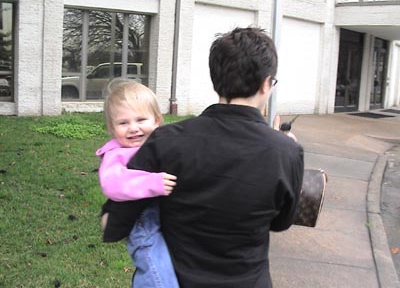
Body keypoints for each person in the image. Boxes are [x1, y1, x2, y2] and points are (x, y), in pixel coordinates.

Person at [102, 27, 304, 288]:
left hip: (176, 280)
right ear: (266, 83)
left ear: (215, 79)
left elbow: (116, 222)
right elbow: (281, 222)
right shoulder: (286, 152)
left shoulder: (166, 140)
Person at [97, 80, 179, 288]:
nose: (133, 128)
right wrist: (152, 182)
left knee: (167, 267)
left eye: (141, 119)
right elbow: (112, 183)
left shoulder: (159, 144)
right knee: (156, 271)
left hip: (164, 220)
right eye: (123, 123)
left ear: (157, 121)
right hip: (141, 223)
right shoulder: (116, 154)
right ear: (112, 128)